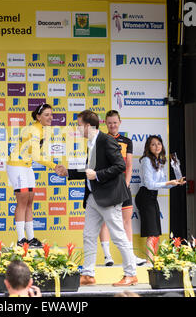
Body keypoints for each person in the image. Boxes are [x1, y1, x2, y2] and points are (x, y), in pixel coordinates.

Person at [56, 110, 138, 287]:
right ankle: (88, 274)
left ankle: (131, 274)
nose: (77, 129)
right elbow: (89, 172)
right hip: (94, 196)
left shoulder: (107, 140)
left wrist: (98, 175)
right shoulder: (91, 143)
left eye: (79, 125)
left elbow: (120, 166)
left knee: (118, 236)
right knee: (88, 235)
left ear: (87, 126)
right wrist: (68, 173)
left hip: (109, 197)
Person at [7, 103, 62, 247]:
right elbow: (37, 156)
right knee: (22, 200)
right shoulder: (34, 130)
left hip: (27, 166)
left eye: (51, 114)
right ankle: (21, 239)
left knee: (30, 200)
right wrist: (54, 166)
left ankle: (30, 238)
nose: (50, 117)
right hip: (16, 165)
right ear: (38, 117)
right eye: (46, 115)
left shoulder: (43, 130)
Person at [99, 110, 146, 267]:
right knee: (105, 220)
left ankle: (130, 256)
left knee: (127, 221)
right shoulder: (100, 140)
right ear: (105, 123)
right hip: (106, 187)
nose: (112, 125)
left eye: (115, 122)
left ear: (119, 122)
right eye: (110, 122)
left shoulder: (127, 141)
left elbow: (129, 165)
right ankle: (107, 256)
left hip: (122, 186)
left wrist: (125, 184)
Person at [135, 135, 185, 263]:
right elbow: (149, 184)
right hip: (145, 196)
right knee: (152, 232)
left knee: (156, 232)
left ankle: (153, 261)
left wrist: (176, 183)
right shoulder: (146, 160)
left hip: (152, 197)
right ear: (148, 147)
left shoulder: (160, 161)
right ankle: (149, 262)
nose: (157, 146)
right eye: (153, 144)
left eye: (159, 143)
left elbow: (164, 184)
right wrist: (169, 183)